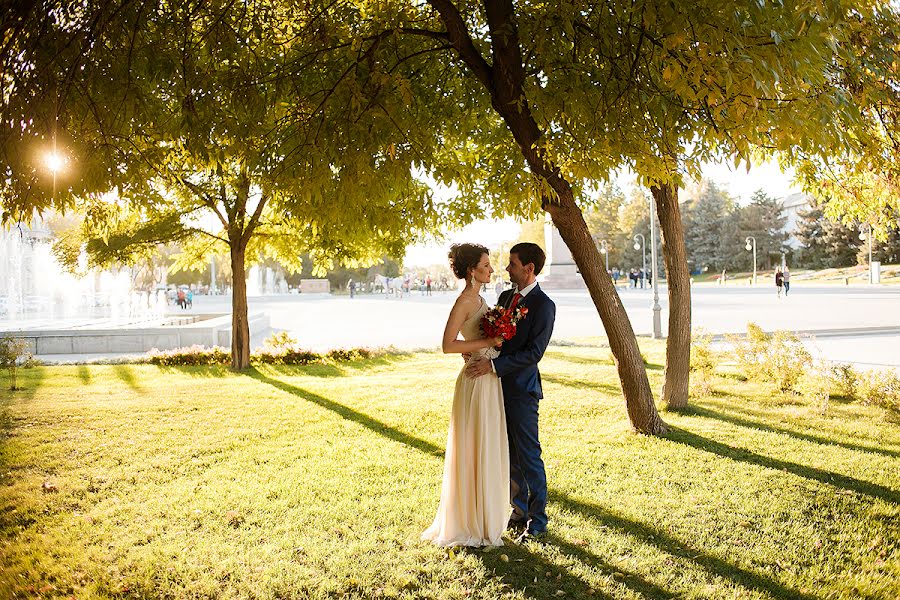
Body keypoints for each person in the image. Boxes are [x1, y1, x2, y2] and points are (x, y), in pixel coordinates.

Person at [466, 242, 556, 541]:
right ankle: (518, 512)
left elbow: (534, 352)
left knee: (529, 456)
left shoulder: (544, 306)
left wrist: (494, 367)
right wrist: (479, 353)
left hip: (521, 390)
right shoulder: (505, 296)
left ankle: (538, 522)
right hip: (494, 390)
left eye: (513, 264)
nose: (506, 269)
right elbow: (493, 335)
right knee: (510, 455)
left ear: (529, 269)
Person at [422, 243, 508, 548]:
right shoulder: (464, 302)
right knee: (475, 444)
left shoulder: (480, 298)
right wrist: (486, 342)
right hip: (476, 380)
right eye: (486, 265)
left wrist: (489, 346)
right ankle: (469, 520)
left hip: (487, 375)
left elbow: (469, 340)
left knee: (485, 442)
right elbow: (447, 344)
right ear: (472, 270)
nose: (491, 269)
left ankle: (484, 516)